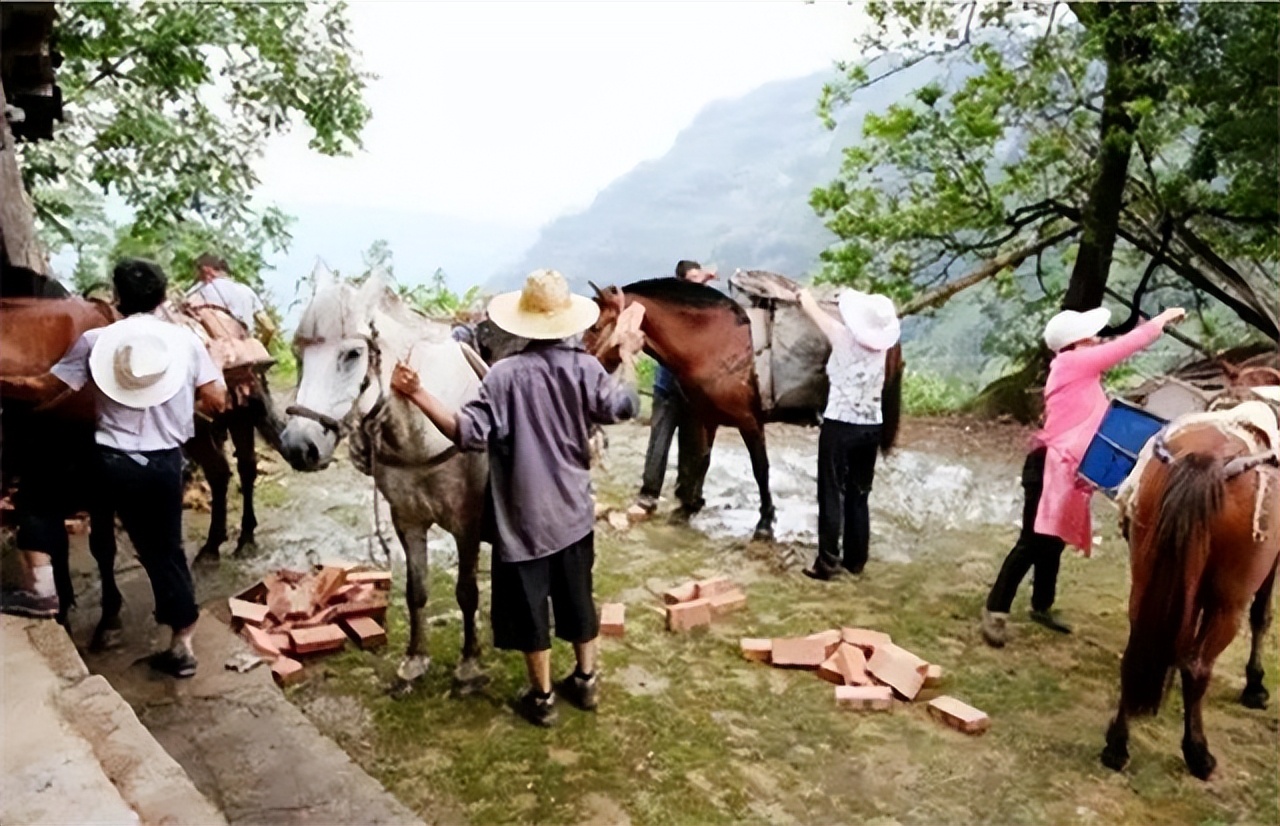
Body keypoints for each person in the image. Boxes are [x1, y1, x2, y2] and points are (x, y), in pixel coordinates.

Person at [391, 269, 643, 726]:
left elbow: (466, 433)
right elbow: (624, 407)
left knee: (531, 610)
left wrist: (417, 392)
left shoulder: (504, 377)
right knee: (578, 598)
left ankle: (542, 697)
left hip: (523, 520)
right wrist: (627, 358)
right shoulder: (586, 367)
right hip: (573, 513)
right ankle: (586, 682)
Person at [1, 259, 227, 675]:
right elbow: (217, 401)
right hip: (163, 465)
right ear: (162, 297)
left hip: (109, 462)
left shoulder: (96, 341)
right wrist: (177, 408)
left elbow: (38, 389)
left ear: (117, 297)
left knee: (36, 499)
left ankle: (44, 593)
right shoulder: (187, 343)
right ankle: (182, 648)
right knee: (165, 552)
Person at [981, 304, 1185, 647]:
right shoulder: (1074, 363)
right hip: (1048, 465)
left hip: (1064, 465)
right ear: (1078, 342)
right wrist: (1161, 321)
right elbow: (1122, 347)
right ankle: (995, 610)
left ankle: (1041, 605)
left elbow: (1113, 345)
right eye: (1090, 337)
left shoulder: (1073, 366)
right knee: (1032, 541)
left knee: (1053, 539)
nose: (1096, 340)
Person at [792, 286, 900, 580]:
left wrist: (805, 295)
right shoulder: (883, 347)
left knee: (831, 490)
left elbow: (810, 309)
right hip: (872, 426)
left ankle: (827, 561)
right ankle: (856, 560)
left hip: (840, 424)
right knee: (859, 493)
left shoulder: (841, 336)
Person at [628, 259, 718, 519]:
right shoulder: (671, 308)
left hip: (696, 390)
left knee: (695, 446)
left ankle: (690, 499)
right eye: (690, 280)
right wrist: (703, 280)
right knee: (659, 443)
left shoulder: (708, 307)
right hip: (667, 387)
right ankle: (648, 497)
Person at [188, 253, 273, 341]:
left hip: (214, 344)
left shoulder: (203, 287)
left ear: (208, 271)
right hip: (244, 346)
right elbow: (269, 328)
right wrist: (262, 343)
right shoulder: (247, 291)